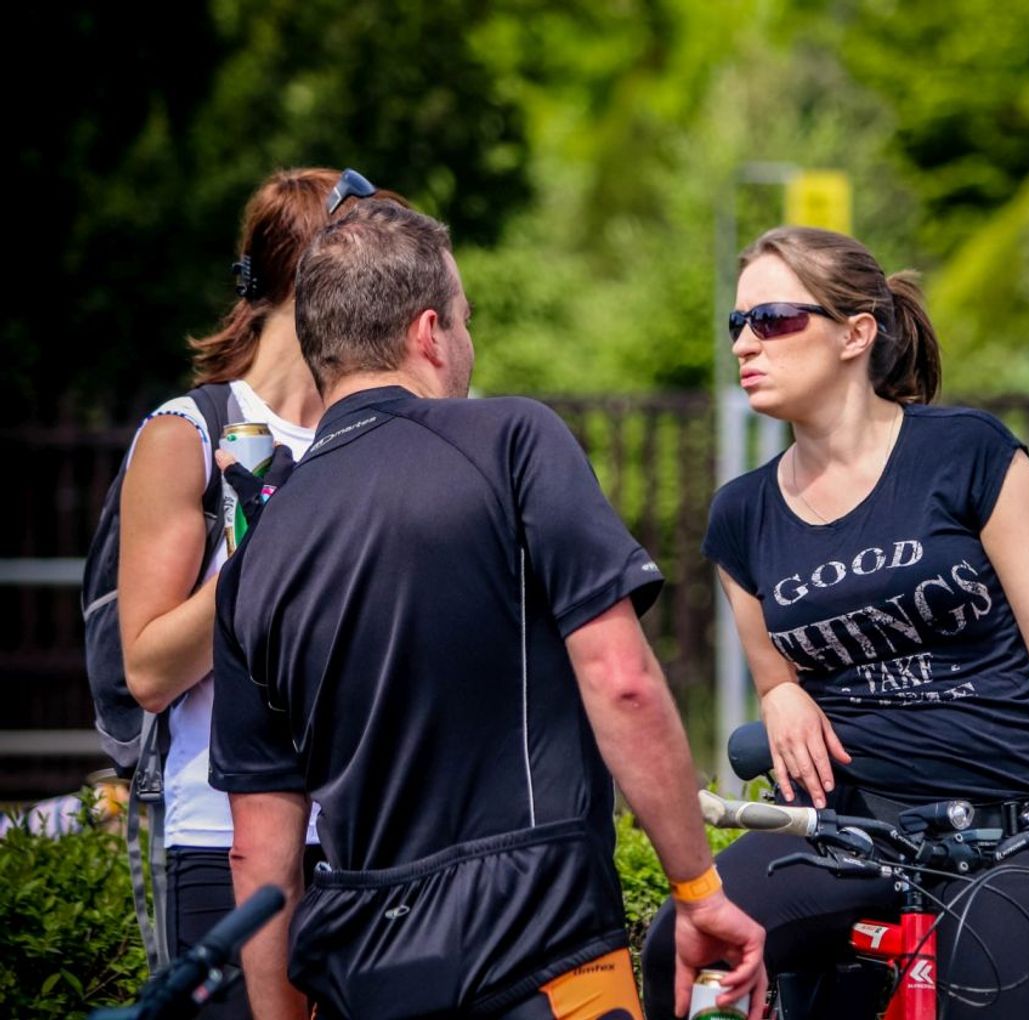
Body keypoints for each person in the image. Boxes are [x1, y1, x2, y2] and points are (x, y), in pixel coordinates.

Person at [208, 200, 765, 1020]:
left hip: (365, 972)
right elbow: (622, 681)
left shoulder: (255, 557)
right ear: (429, 333)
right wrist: (697, 889)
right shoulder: (511, 440)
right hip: (543, 945)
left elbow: (259, 854)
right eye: (465, 319)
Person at [641, 226, 1029, 1018]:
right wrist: (780, 694)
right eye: (738, 323)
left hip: (1001, 831)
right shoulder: (741, 513)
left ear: (856, 334)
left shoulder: (968, 453)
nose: (745, 343)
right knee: (673, 947)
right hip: (842, 829)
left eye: (773, 320)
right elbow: (774, 672)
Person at [117, 166, 402, 1018]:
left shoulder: (380, 428)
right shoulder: (189, 434)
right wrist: (262, 560)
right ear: (314, 272)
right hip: (222, 837)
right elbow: (149, 671)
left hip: (374, 836)